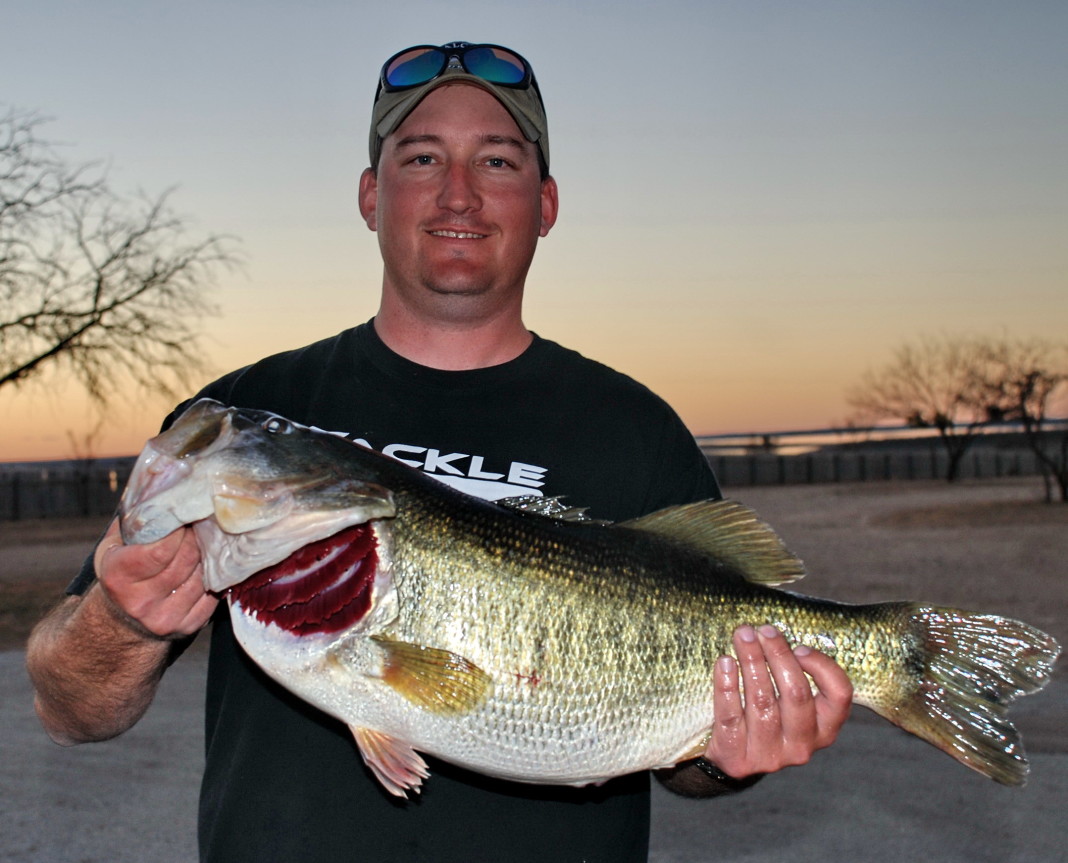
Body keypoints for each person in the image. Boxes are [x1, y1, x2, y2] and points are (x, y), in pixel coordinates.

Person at [27, 41, 853, 862]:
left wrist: (731, 749)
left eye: (497, 161)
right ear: (370, 193)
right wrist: (119, 618)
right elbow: (71, 707)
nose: (458, 193)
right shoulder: (254, 413)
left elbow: (693, 772)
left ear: (547, 202)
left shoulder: (637, 430)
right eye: (422, 157)